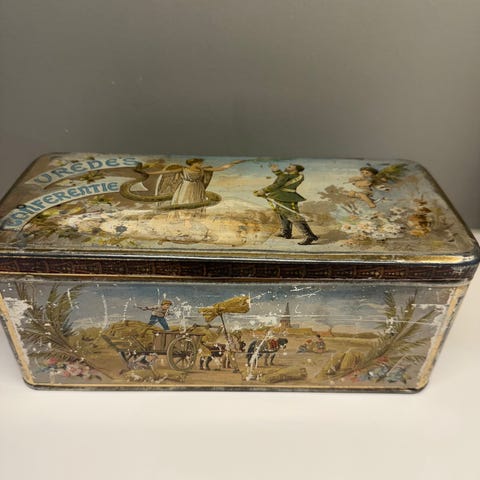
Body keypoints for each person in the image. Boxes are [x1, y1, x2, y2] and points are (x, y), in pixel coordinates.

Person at [254, 163, 318, 245]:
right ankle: (286, 232)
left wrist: (263, 190)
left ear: (295, 170)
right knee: (282, 214)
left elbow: (277, 184)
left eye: (290, 167)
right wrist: (277, 171)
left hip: (287, 198)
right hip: (282, 197)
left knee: (293, 216)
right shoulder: (293, 175)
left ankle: (309, 236)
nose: (287, 167)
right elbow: (283, 177)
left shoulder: (288, 176)